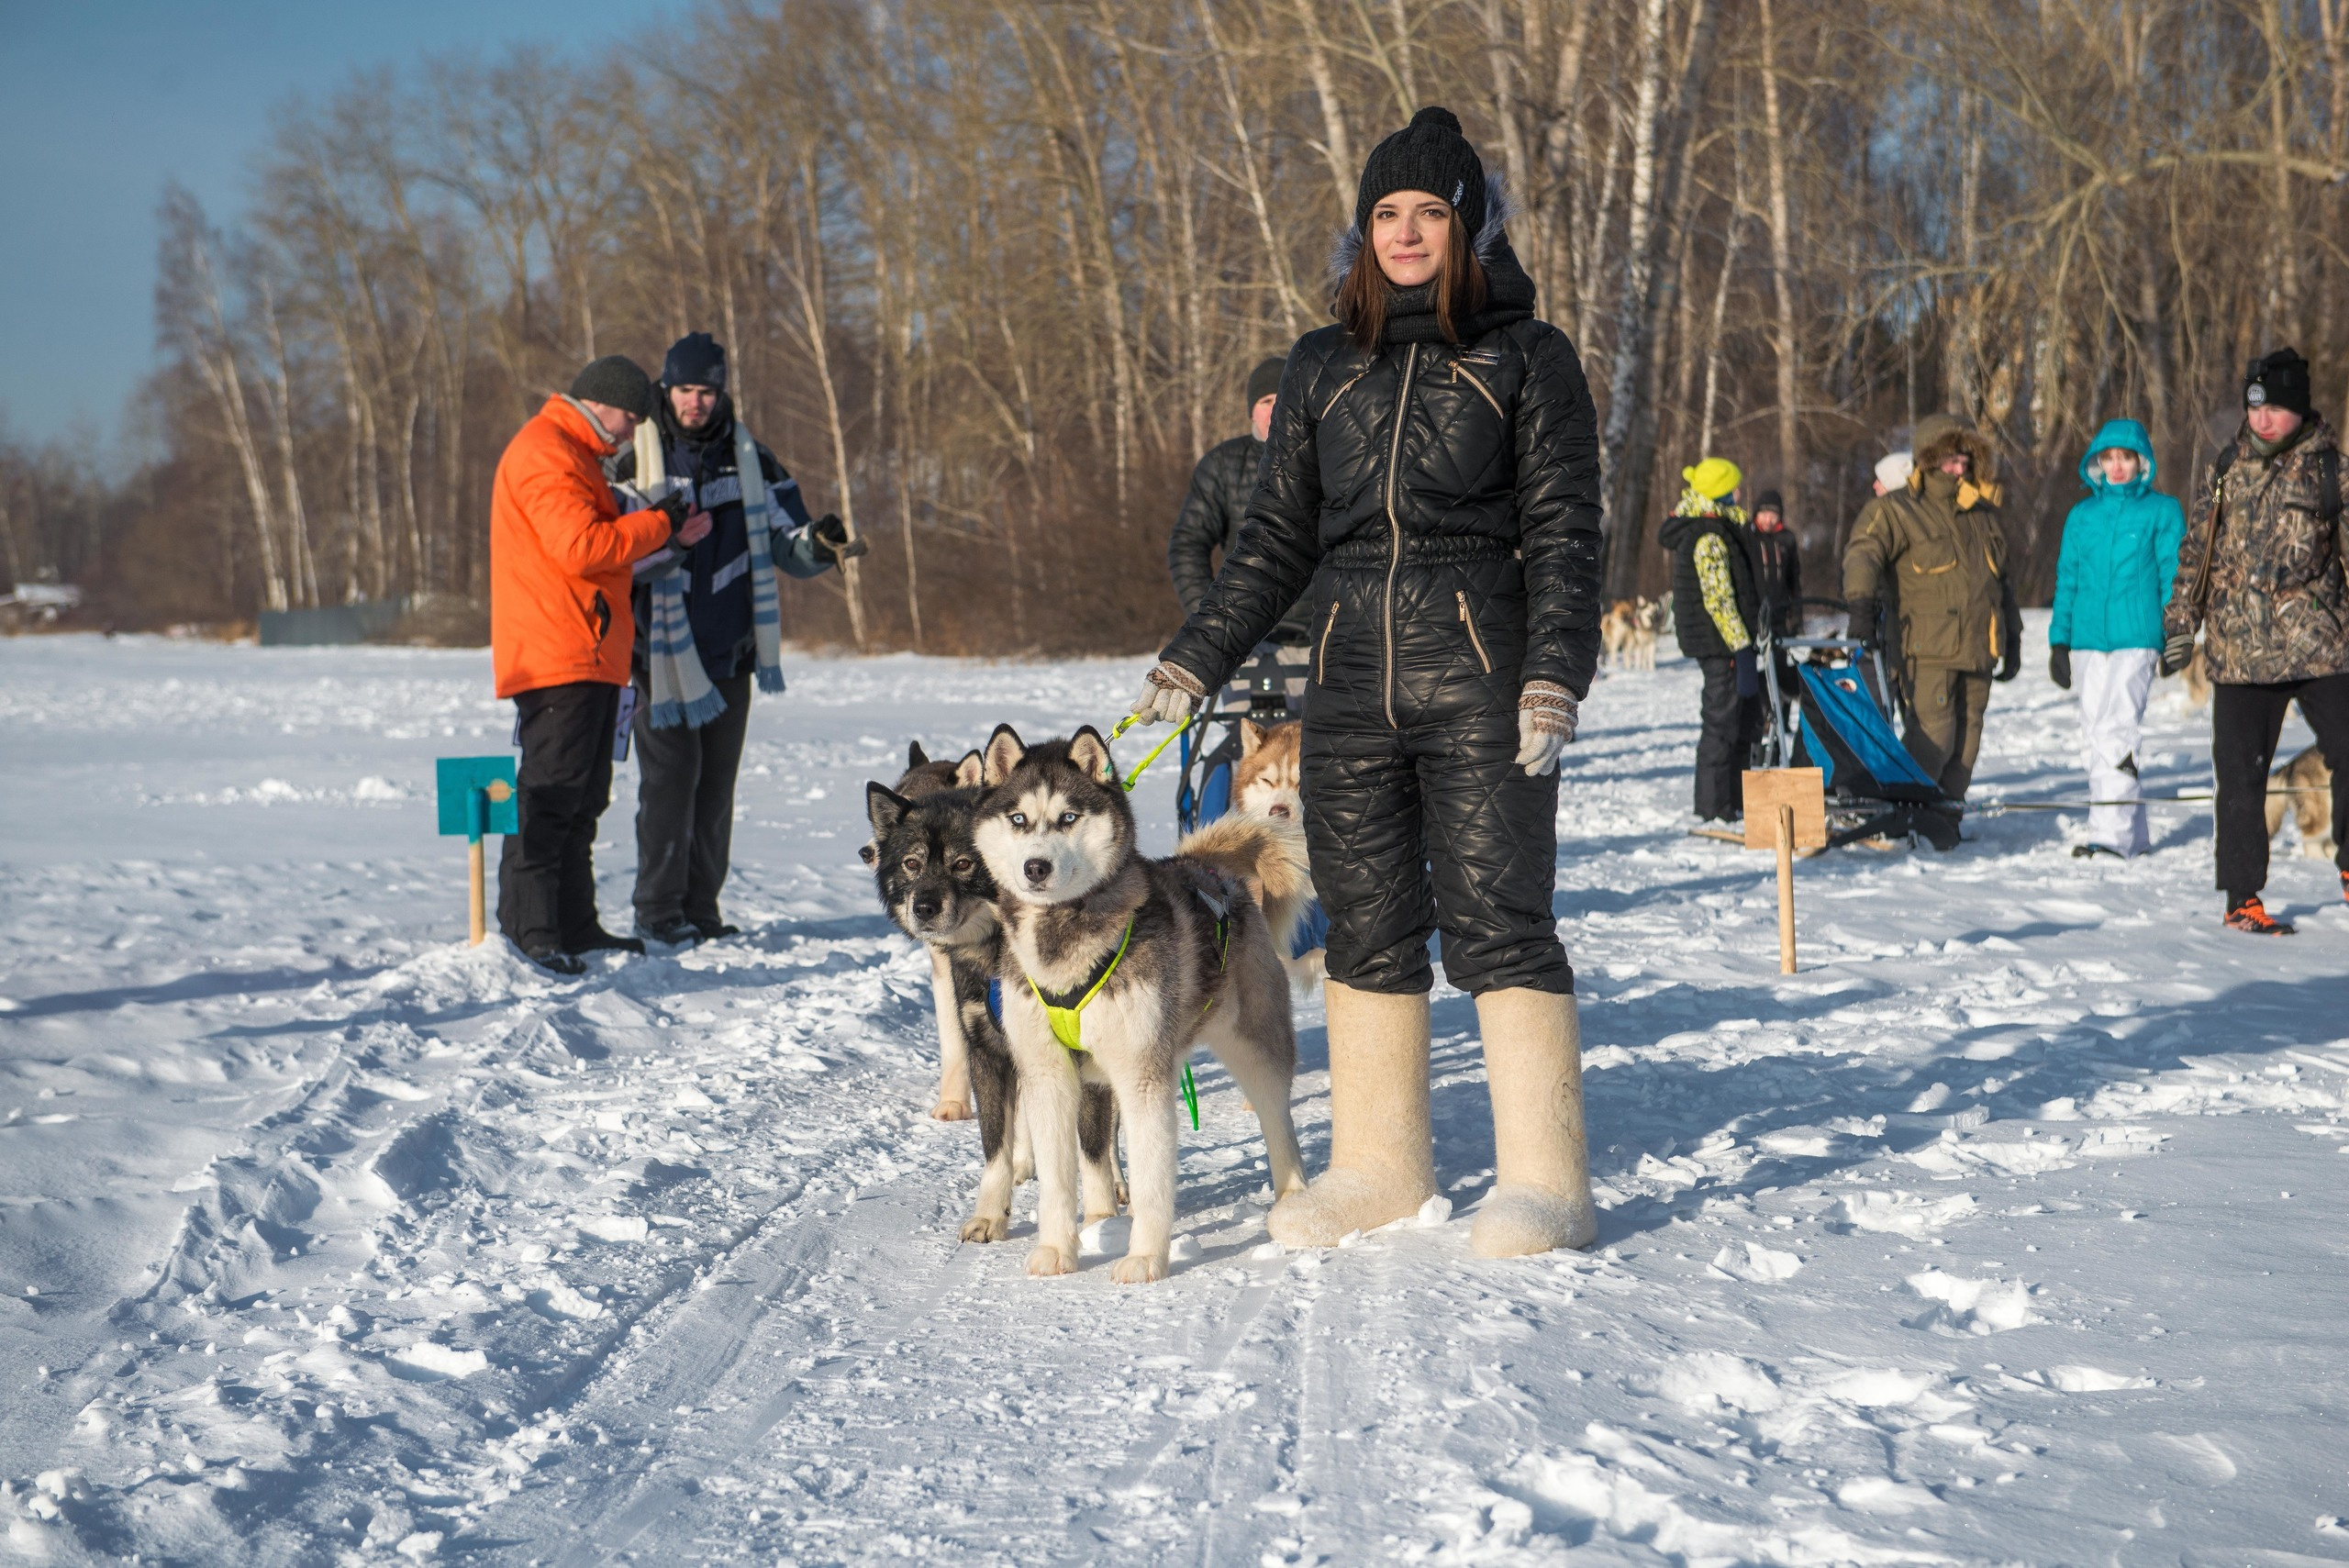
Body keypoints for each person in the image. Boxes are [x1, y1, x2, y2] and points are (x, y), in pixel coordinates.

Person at [1130, 106, 1603, 1260]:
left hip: (1481, 673)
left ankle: (1548, 1179)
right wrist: (1201, 647)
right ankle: (1381, 1165)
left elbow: (1566, 531)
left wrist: (1554, 673)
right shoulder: (1320, 366)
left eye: (1427, 212)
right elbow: (1274, 539)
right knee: (1368, 927)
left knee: (1499, 918)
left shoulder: (1526, 358)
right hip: (1345, 683)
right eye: (1384, 214)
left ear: (1466, 225)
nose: (1402, 233)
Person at [611, 333, 862, 949]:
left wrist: (819, 544)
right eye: (684, 390)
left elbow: (788, 539)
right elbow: (614, 548)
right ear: (664, 391)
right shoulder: (635, 458)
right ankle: (658, 912)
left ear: (721, 393)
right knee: (668, 786)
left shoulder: (749, 457)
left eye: (706, 390)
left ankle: (701, 909)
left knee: (715, 788)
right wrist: (673, 537)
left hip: (729, 651)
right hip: (658, 656)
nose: (695, 402)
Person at [491, 356, 710, 975]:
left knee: (584, 797)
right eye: (630, 417)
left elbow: (600, 546)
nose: (629, 432)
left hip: (587, 650)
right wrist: (658, 521)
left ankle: (575, 923)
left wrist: (663, 534)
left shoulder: (576, 456)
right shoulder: (547, 452)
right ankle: (530, 928)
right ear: (601, 400)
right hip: (558, 651)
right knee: (551, 793)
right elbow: (582, 548)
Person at [2160, 348, 2349, 933]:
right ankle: (2242, 898)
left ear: (2300, 409)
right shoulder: (2225, 468)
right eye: (2253, 406)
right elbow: (2197, 550)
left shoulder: (2330, 470)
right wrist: (2178, 622)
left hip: (2319, 643)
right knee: (2239, 775)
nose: (2261, 419)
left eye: (2274, 409)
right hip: (2240, 651)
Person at [1842, 414, 2021, 804]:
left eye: (1964, 461)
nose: (1958, 469)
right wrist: (1860, 608)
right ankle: (1906, 811)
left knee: (1967, 745)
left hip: (1979, 650)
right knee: (1933, 740)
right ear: (1928, 460)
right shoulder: (1896, 510)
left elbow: (2001, 584)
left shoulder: (1982, 517)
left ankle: (1945, 816)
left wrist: (2014, 638)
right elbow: (1863, 554)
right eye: (1949, 461)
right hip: (1927, 650)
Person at [2049, 418, 2184, 861]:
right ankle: (2134, 835)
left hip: (2137, 636)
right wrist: (2059, 642)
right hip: (2088, 638)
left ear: (2142, 461)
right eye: (2109, 458)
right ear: (2097, 463)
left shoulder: (2162, 512)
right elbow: (2067, 578)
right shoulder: (2080, 515)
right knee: (2094, 734)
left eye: (2126, 457)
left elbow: (2172, 575)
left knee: (2117, 730)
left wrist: (2174, 634)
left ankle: (2109, 836)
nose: (2117, 466)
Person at [1168, 357, 1311, 644]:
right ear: (1251, 411)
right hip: (1244, 643)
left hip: (1324, 640)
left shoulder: (1332, 459)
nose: (1277, 408)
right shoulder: (1222, 464)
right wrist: (1211, 625)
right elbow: (1188, 545)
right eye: (1267, 400)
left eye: (1285, 397)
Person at [1657, 459, 1765, 822]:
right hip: (1721, 645)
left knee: (1740, 720)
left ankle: (1735, 800)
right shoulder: (1709, 536)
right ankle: (1713, 806)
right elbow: (1718, 600)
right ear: (1720, 492)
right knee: (1721, 723)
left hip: (1726, 643)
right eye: (1733, 489)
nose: (1738, 494)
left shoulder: (1719, 528)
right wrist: (1740, 645)